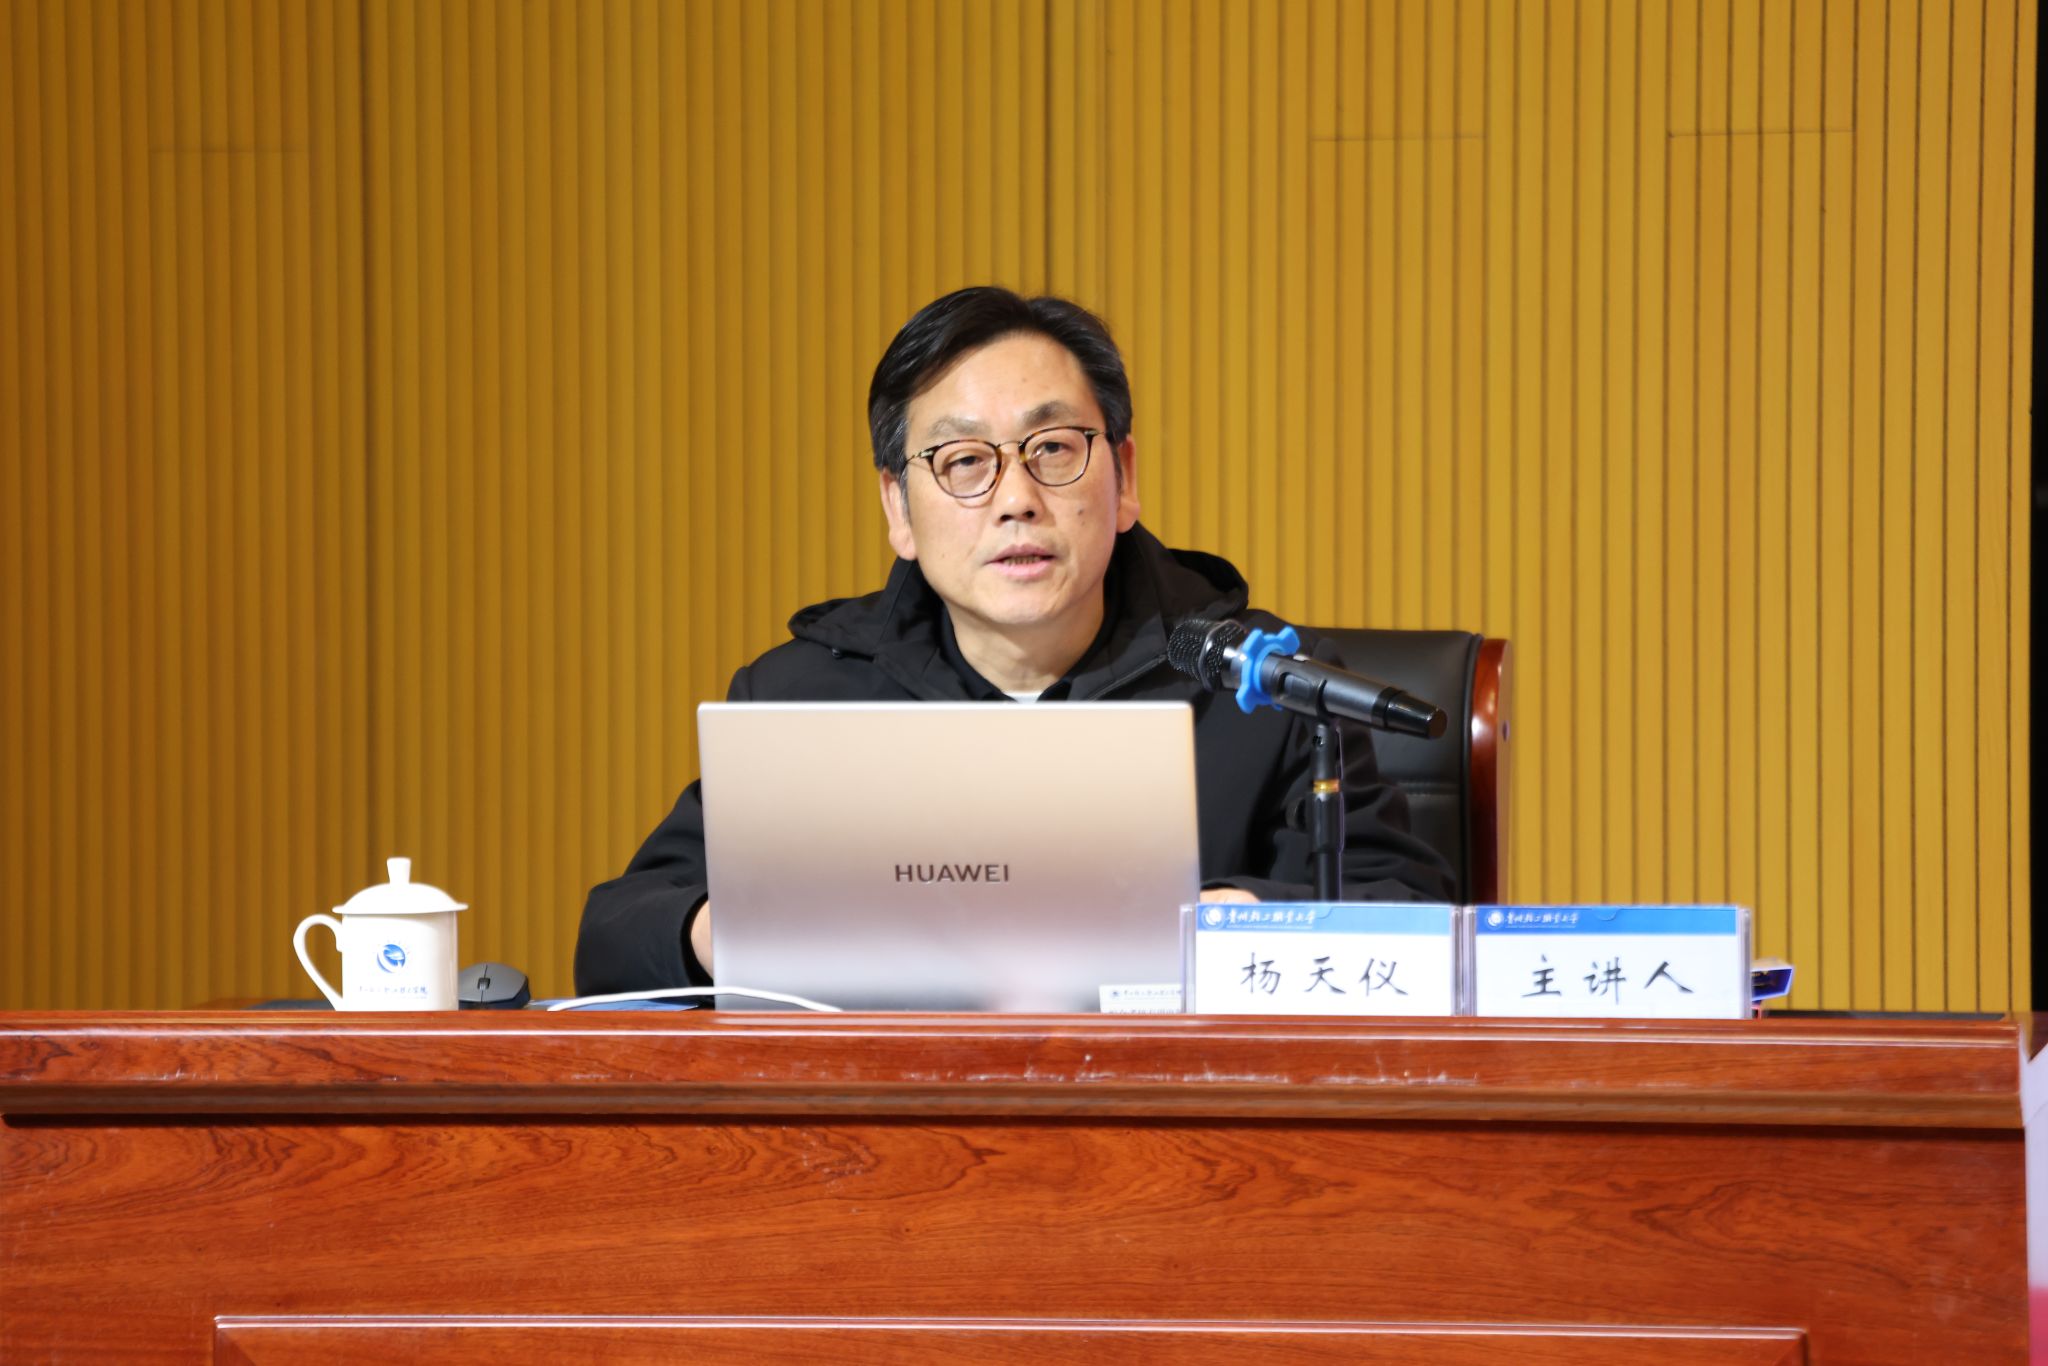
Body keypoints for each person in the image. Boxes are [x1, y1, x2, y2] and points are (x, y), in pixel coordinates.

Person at [573, 286, 1454, 995]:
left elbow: (1414, 915)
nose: (1016, 499)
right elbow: (615, 937)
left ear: (1125, 477)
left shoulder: (1261, 689)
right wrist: (734, 932)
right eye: (964, 462)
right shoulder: (801, 697)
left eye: (1054, 450)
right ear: (898, 508)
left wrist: (1228, 923)